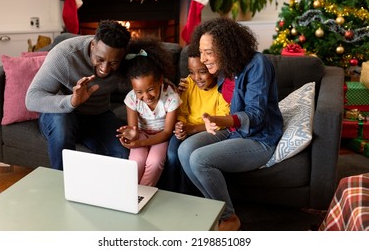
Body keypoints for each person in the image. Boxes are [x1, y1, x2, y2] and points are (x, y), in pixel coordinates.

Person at [177, 17, 283, 231]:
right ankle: (214, 210)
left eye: (209, 52)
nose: (204, 59)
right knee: (185, 149)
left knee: (200, 159)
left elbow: (256, 115)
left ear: (227, 47)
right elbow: (203, 86)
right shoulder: (225, 68)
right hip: (233, 131)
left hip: (259, 138)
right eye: (202, 51)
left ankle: (229, 217)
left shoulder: (258, 65)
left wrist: (219, 120)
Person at [26, 20, 131, 170]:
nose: (105, 68)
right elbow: (32, 99)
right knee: (62, 128)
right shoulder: (64, 56)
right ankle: (62, 186)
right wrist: (71, 102)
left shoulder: (127, 58)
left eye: (113, 63)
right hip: (62, 114)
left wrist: (164, 83)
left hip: (98, 115)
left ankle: (102, 190)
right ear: (93, 45)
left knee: (122, 153)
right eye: (100, 59)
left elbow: (146, 73)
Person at [158, 45, 230, 195]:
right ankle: (169, 193)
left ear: (213, 68)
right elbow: (182, 111)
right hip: (187, 129)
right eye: (191, 72)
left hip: (206, 131)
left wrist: (193, 128)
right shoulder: (189, 83)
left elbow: (222, 120)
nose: (196, 78)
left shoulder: (222, 89)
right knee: (171, 153)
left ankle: (188, 194)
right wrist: (180, 124)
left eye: (202, 72)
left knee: (189, 154)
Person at [116, 38, 181, 186]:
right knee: (136, 161)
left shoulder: (171, 98)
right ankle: (129, 193)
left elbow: (166, 132)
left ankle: (143, 195)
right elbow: (134, 130)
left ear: (160, 81)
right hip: (142, 134)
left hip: (161, 136)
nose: (146, 97)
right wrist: (132, 135)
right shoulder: (131, 98)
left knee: (155, 161)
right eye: (139, 92)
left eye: (150, 89)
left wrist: (142, 142)